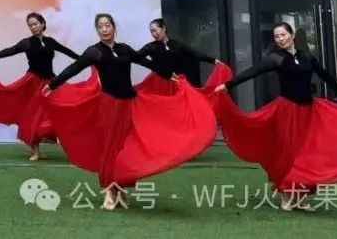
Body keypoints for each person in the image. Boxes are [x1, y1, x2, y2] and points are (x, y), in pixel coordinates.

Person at [43, 13, 216, 210]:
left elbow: (146, 63)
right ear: (97, 30)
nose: (104, 29)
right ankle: (109, 191)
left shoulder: (124, 49)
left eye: (107, 25)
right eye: (100, 26)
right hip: (110, 104)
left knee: (126, 148)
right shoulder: (94, 52)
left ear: (113, 27)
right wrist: (52, 84)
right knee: (110, 148)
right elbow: (74, 68)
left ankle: (121, 189)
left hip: (130, 103)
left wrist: (168, 75)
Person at [213, 22, 337, 212]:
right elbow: (252, 72)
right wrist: (227, 85)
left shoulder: (306, 57)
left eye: (283, 35)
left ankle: (303, 199)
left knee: (309, 154)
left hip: (310, 111)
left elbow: (325, 76)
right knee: (288, 154)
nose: (281, 39)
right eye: (277, 36)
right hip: (287, 112)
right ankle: (286, 195)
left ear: (292, 35)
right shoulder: (276, 59)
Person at [0, 12, 79, 160]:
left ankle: (71, 147)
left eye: (35, 24)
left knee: (55, 113)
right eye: (30, 25)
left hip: (50, 82)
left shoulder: (50, 42)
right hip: (33, 82)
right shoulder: (27, 43)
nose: (33, 27)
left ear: (42, 24)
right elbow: (10, 50)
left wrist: (85, 60)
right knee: (33, 117)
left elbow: (67, 52)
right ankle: (35, 151)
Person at [135, 18, 231, 94]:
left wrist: (213, 60)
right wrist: (154, 66)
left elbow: (193, 53)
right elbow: (136, 57)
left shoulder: (176, 45)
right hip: (159, 83)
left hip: (176, 82)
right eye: (151, 32)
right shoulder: (150, 47)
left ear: (163, 28)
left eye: (155, 30)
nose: (153, 34)